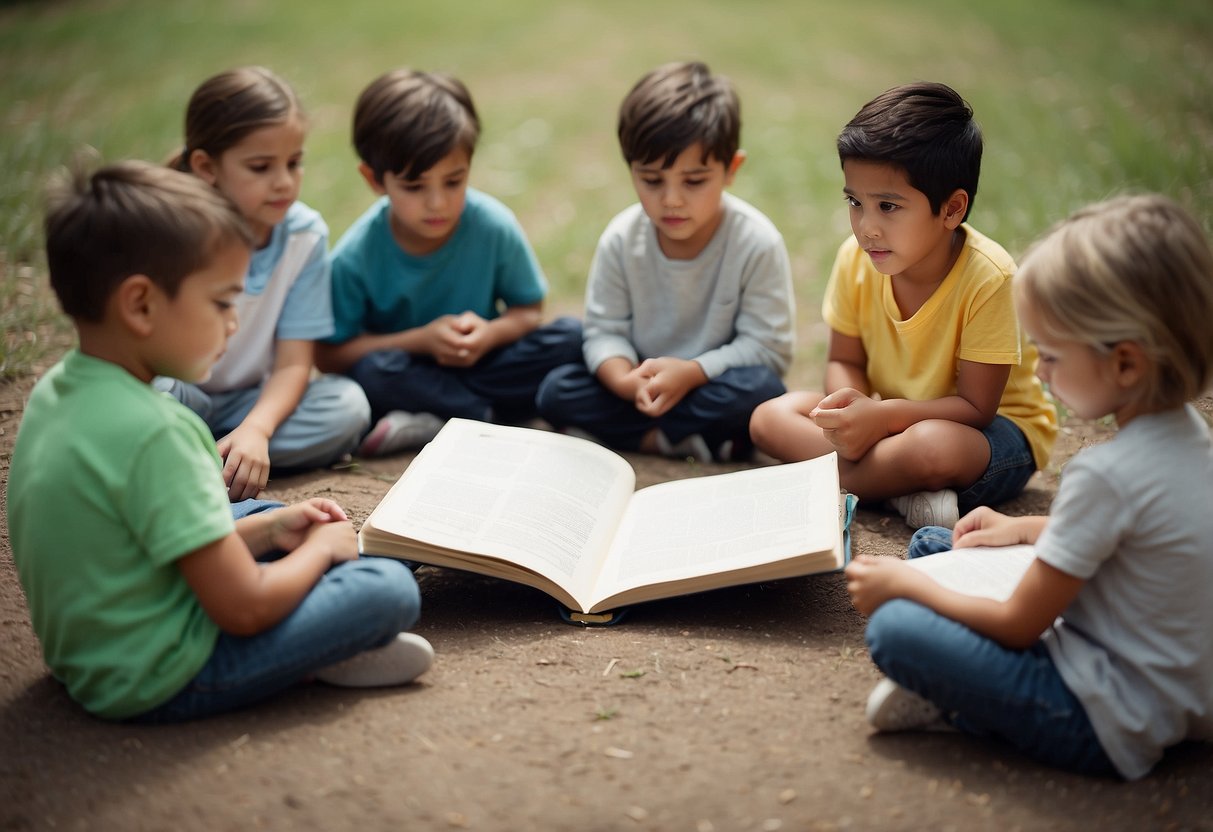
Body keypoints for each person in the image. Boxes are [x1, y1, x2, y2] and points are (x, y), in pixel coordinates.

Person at [7, 161, 432, 723]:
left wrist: (274, 529)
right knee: (387, 587)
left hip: (87, 654)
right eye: (221, 302)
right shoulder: (162, 430)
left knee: (263, 513)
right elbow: (245, 608)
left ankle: (305, 612)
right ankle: (312, 654)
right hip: (163, 675)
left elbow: (139, 544)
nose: (234, 324)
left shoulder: (58, 389)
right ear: (139, 304)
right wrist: (316, 554)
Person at [846, 194, 1213, 779]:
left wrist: (902, 590)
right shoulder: (1193, 438)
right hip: (1172, 690)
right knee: (939, 547)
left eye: (1052, 355)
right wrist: (1021, 527)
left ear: (1124, 364)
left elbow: (1020, 623)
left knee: (896, 625)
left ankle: (965, 704)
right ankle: (956, 653)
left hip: (1102, 718)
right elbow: (1136, 540)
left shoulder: (1106, 475)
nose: (1038, 373)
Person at [749, 82, 1056, 527]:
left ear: (951, 209)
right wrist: (847, 411)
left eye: (888, 206)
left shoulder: (989, 277)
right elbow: (843, 359)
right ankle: (893, 489)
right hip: (887, 423)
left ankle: (864, 481)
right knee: (769, 417)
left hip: (987, 434)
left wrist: (882, 417)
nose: (866, 227)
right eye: (855, 202)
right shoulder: (854, 261)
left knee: (931, 446)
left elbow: (976, 407)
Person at [315, 69, 582, 456]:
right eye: (414, 186)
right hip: (410, 372)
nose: (438, 203)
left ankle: (445, 419)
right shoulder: (356, 255)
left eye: (454, 181)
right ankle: (492, 415)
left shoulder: (493, 225)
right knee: (374, 373)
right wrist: (418, 341)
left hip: (485, 363)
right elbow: (329, 356)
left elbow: (528, 311)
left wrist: (490, 334)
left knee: (571, 336)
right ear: (374, 178)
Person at [536, 61, 793, 463]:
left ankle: (641, 438)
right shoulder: (621, 239)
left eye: (694, 181)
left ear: (731, 170)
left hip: (710, 383)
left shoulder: (757, 242)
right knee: (556, 390)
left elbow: (766, 349)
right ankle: (691, 441)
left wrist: (693, 372)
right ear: (631, 171)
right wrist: (623, 380)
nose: (671, 199)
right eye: (652, 180)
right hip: (639, 386)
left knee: (761, 388)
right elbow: (604, 330)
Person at [160, 66, 371, 500]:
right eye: (260, 167)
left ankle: (214, 455)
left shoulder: (305, 236)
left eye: (294, 163)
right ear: (206, 166)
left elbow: (296, 362)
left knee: (347, 407)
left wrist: (257, 428)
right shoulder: (172, 229)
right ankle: (210, 455)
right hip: (179, 392)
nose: (284, 182)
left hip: (249, 403)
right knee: (151, 398)